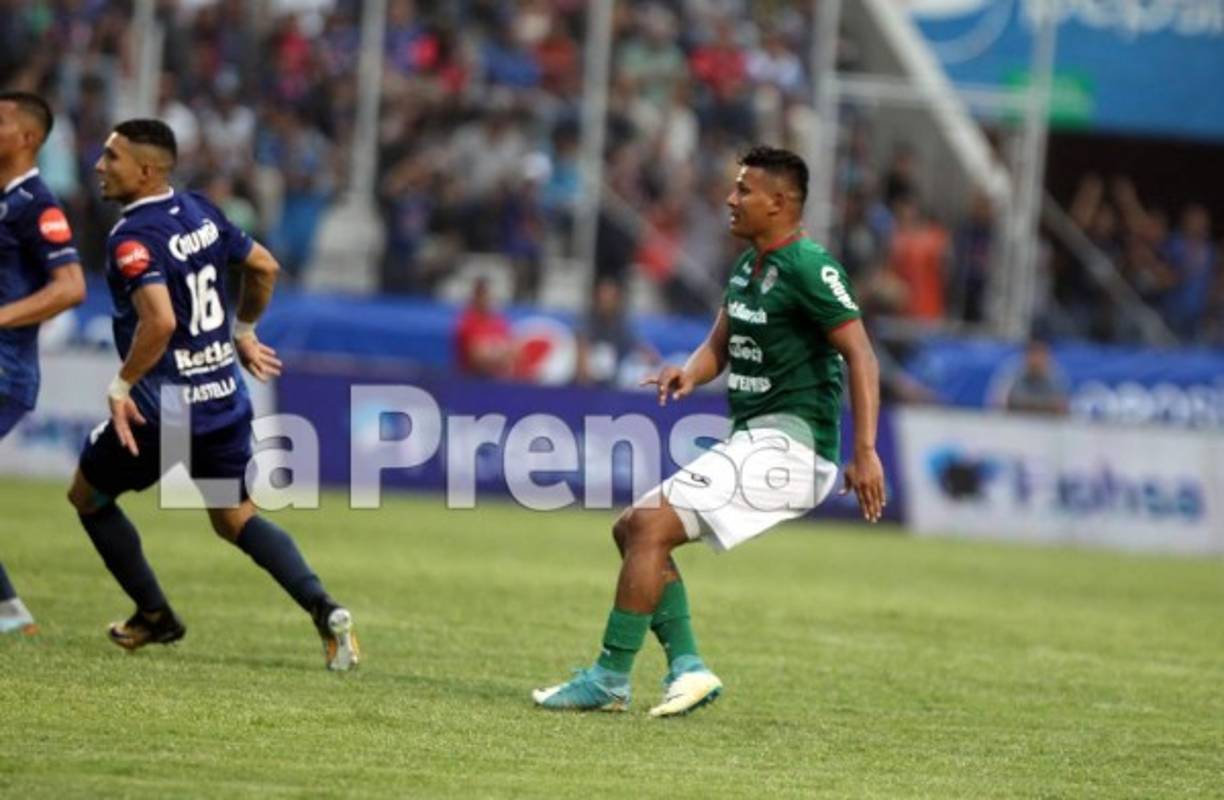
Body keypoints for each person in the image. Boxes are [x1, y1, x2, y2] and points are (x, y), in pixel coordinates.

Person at [532, 146, 886, 716]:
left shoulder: (810, 267)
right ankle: (689, 668)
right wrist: (689, 373)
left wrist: (865, 451)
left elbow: (862, 357)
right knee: (631, 530)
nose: (730, 198)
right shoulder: (749, 267)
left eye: (744, 190)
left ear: (778, 202)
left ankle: (609, 679)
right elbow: (718, 346)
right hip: (757, 440)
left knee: (648, 526)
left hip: (795, 447)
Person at [65, 119, 358, 670]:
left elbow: (159, 321)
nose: (99, 166)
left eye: (112, 158)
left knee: (88, 497)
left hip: (166, 408)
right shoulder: (199, 209)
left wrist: (121, 383)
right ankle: (326, 610)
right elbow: (264, 266)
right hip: (223, 396)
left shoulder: (132, 239)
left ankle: (155, 614)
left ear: (147, 171)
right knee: (233, 518)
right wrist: (243, 331)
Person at [0, 92, 87, 635]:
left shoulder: (37, 204)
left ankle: (11, 614)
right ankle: (10, 614)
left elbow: (72, 286)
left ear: (27, 137)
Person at [1003, 338, 1069, 416]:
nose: (1035, 360)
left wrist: (1025, 404)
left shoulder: (1057, 376)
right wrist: (1045, 405)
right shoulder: (1013, 371)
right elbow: (1002, 403)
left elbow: (1061, 406)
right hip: (1016, 422)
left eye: (1039, 355)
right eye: (1032, 354)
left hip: (1048, 423)